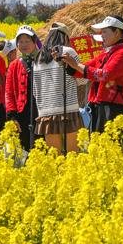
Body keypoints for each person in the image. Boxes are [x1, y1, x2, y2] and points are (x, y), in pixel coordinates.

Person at [62, 15, 123, 132]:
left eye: (105, 31)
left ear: (117, 33)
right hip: (101, 106)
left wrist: (75, 65)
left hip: (115, 109)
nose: (101, 35)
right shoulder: (106, 54)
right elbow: (86, 67)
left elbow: (105, 75)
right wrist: (66, 63)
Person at [36, 23, 85, 154]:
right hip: (67, 109)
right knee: (72, 156)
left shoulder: (39, 57)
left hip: (46, 112)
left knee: (54, 158)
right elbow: (82, 79)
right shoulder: (67, 52)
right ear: (65, 37)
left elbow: (36, 90)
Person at [4, 25, 41, 151]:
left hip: (41, 112)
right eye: (20, 41)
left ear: (34, 42)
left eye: (27, 41)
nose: (23, 44)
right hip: (22, 114)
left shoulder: (43, 60)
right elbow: (9, 92)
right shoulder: (14, 65)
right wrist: (12, 116)